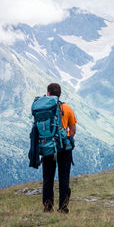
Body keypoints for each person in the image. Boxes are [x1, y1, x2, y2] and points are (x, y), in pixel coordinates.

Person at [42, 83, 77, 213]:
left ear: (48, 94)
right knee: (64, 178)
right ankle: (63, 207)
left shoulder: (43, 109)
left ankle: (47, 206)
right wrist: (66, 138)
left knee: (48, 178)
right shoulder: (67, 108)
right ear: (60, 94)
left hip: (47, 147)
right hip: (64, 148)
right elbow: (73, 129)